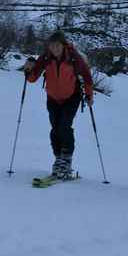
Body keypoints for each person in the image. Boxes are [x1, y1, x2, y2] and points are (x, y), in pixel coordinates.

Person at [23, 30, 94, 179]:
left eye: (57, 46)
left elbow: (87, 77)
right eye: (51, 46)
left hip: (72, 97)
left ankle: (66, 160)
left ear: (63, 45)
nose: (54, 49)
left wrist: (89, 95)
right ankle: (58, 159)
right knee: (55, 129)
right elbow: (32, 78)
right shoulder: (46, 57)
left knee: (64, 126)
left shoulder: (74, 58)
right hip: (53, 98)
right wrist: (28, 69)